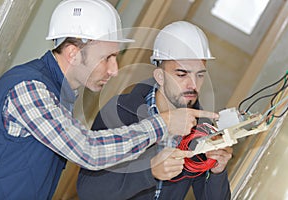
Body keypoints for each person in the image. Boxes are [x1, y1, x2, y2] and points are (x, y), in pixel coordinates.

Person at [0, 1, 219, 199]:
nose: (114, 70)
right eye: (107, 58)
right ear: (73, 53)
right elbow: (88, 151)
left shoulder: (58, 95)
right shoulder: (28, 89)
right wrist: (164, 124)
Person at [77, 21, 232, 200]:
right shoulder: (119, 111)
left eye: (200, 75)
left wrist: (217, 172)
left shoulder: (201, 131)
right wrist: (149, 171)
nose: (193, 85)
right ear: (160, 76)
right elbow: (88, 190)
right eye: (182, 74)